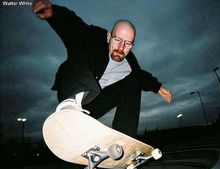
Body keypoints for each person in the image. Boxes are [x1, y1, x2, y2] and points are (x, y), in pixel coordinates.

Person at [33, 0, 172, 137]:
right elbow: (74, 26)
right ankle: (71, 107)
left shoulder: (130, 63)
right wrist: (54, 13)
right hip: (73, 91)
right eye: (117, 40)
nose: (121, 48)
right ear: (108, 37)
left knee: (133, 82)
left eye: (127, 44)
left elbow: (141, 76)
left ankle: (124, 137)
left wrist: (158, 87)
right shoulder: (94, 38)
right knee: (82, 49)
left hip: (94, 105)